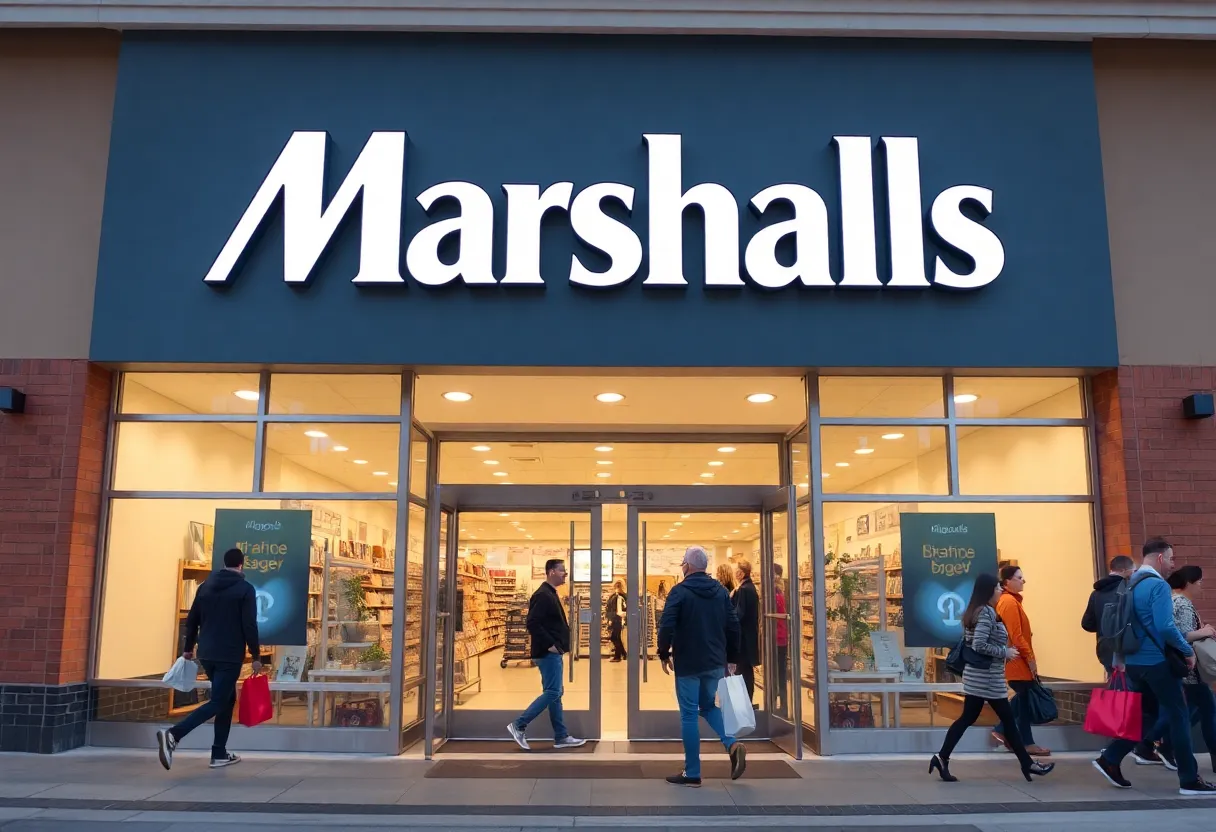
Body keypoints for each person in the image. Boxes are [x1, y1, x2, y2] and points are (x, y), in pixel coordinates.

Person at [1092, 537, 1215, 795]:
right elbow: (1165, 627)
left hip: (1134, 661)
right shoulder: (1157, 586)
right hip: (1156, 661)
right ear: (1160, 558)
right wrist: (1185, 650)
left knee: (1146, 715)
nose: (1173, 565)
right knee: (1179, 715)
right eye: (1171, 559)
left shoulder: (1130, 582)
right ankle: (1189, 780)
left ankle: (1110, 758)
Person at [929, 573, 1054, 783]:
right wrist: (1004, 652)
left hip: (981, 677)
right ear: (988, 591)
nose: (1000, 591)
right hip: (986, 679)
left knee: (970, 718)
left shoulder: (977, 611)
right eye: (997, 588)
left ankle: (941, 758)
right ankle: (1028, 764)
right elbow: (978, 644)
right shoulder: (986, 612)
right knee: (1005, 720)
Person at [156, 547, 261, 771]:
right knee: (219, 701)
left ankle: (219, 753)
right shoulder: (245, 589)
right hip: (229, 653)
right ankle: (174, 735)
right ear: (241, 565)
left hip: (207, 652)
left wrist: (187, 648)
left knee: (227, 698)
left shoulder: (205, 587)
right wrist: (255, 654)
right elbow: (249, 624)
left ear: (224, 563)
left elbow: (192, 619)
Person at [657, 546, 747, 787]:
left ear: (687, 565)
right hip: (714, 661)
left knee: (688, 714)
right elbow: (733, 625)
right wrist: (732, 657)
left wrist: (663, 652)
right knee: (708, 706)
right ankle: (732, 743)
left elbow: (666, 625)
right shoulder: (720, 592)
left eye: (682, 563)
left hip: (688, 661)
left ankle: (693, 772)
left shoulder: (679, 592)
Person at [507, 559, 587, 751]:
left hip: (552, 652)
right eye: (562, 571)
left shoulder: (550, 593)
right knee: (552, 692)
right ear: (551, 572)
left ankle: (561, 736)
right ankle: (519, 725)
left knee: (556, 694)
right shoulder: (543, 595)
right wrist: (550, 645)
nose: (565, 574)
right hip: (547, 653)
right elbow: (532, 623)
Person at [1151, 566, 1216, 773]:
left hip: (1177, 668)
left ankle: (1159, 744)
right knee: (1207, 710)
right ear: (1188, 584)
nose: (1200, 586)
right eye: (1198, 582)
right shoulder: (1184, 604)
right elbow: (1183, 635)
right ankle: (1147, 742)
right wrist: (1204, 631)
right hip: (1189, 669)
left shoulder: (1170, 600)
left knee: (1188, 712)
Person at [993, 566, 1049, 756]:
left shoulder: (1011, 601)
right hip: (1016, 660)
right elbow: (1016, 636)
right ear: (1007, 581)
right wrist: (1030, 658)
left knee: (1021, 700)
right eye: (1019, 577)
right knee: (1021, 700)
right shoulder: (1008, 602)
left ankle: (1006, 732)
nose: (1023, 581)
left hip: (1016, 659)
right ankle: (1019, 739)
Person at [1082, 555, 1136, 674]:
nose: (1134, 574)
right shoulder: (1129, 589)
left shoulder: (1096, 593)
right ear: (1124, 570)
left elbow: (1087, 624)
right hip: (1128, 649)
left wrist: (1104, 627)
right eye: (1133, 571)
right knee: (1131, 689)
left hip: (1105, 648)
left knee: (1116, 686)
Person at [732, 559, 761, 705]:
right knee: (746, 669)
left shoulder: (744, 590)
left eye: (737, 570)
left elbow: (739, 614)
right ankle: (747, 700)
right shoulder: (750, 588)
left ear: (742, 573)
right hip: (749, 635)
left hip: (743, 637)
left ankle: (744, 701)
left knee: (742, 669)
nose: (734, 573)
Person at [773, 563, 790, 716]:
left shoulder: (775, 593)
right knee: (779, 672)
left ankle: (781, 706)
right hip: (780, 635)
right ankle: (781, 705)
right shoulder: (781, 591)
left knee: (778, 672)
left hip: (777, 636)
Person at [607, 579, 627, 662]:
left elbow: (617, 610)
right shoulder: (619, 596)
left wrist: (611, 619)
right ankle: (623, 654)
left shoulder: (619, 596)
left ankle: (618, 656)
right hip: (618, 618)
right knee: (616, 637)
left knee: (614, 637)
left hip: (617, 619)